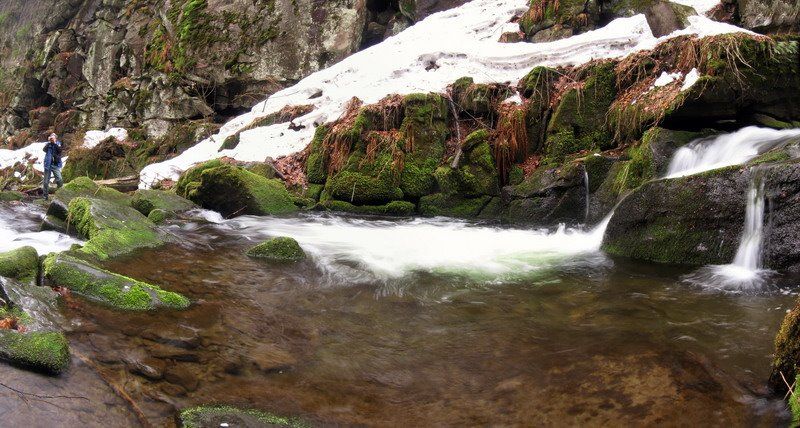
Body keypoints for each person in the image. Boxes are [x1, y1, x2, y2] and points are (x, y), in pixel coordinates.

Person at [42, 133, 64, 199]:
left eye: (53, 137)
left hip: (55, 164)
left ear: (56, 138)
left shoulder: (58, 143)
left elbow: (60, 151)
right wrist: (49, 143)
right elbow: (44, 150)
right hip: (48, 164)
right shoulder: (48, 144)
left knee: (59, 179)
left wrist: (54, 143)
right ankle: (45, 196)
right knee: (46, 182)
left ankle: (60, 194)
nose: (52, 138)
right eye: (51, 137)